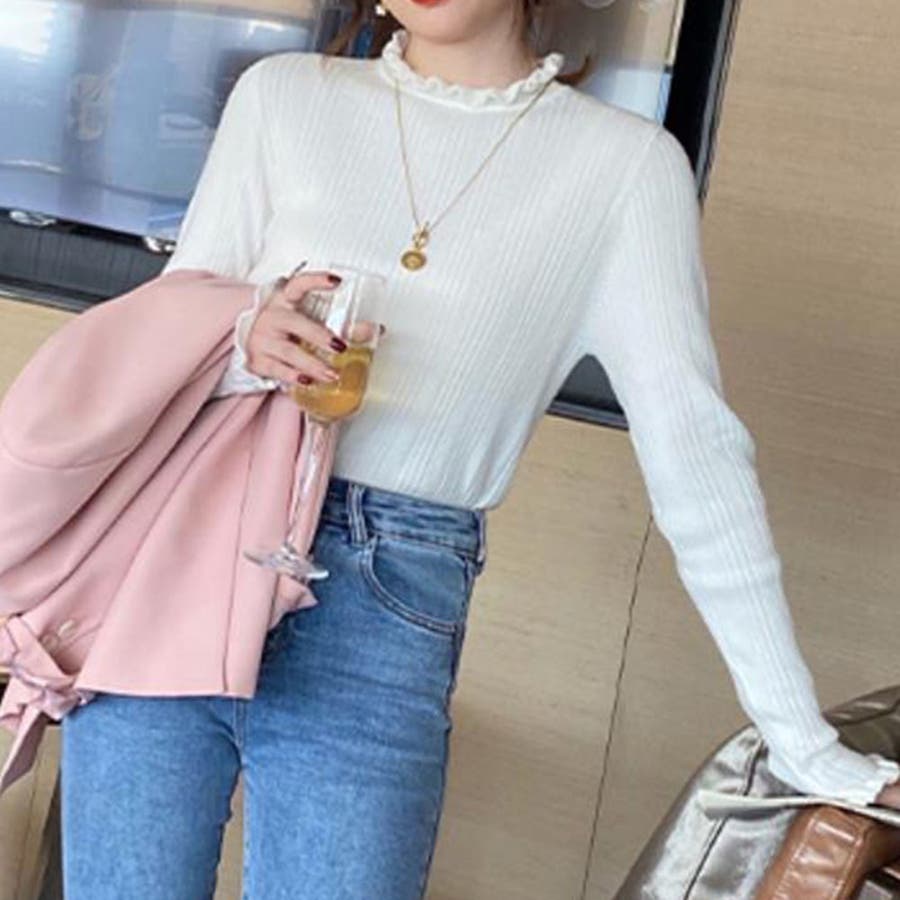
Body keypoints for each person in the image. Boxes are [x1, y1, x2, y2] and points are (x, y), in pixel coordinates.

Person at [59, 1, 900, 897]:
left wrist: (800, 740)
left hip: (388, 596)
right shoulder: (282, 96)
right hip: (183, 548)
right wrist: (242, 342)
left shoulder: (623, 168)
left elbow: (697, 458)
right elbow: (162, 338)